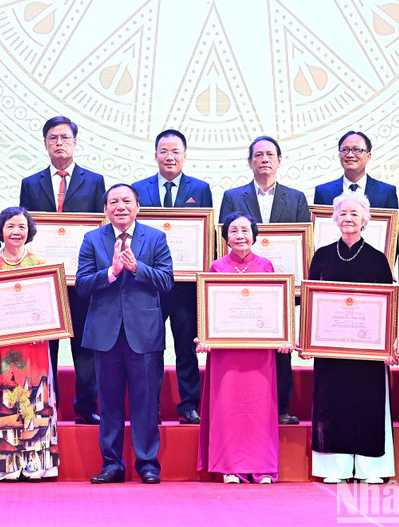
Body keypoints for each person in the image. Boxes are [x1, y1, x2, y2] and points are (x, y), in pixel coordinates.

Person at [77, 184, 174, 484]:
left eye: (126, 201)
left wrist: (138, 268)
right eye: (113, 202)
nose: (120, 206)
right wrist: (111, 273)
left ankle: (147, 465)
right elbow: (81, 285)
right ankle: (112, 464)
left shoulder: (155, 238)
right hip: (105, 334)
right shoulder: (92, 239)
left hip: (143, 335)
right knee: (109, 402)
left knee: (146, 402)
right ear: (105, 209)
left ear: (137, 207)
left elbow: (167, 281)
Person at [19, 116, 105, 425]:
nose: (59, 143)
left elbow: (100, 231)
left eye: (65, 138)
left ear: (75, 143)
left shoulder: (94, 181)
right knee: (46, 346)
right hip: (44, 280)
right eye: (53, 138)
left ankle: (85, 406)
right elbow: (24, 231)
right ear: (45, 143)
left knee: (84, 344)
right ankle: (46, 405)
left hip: (82, 278)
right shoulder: (30, 183)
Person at [195, 212, 293, 484]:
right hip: (227, 350)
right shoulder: (216, 267)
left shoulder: (266, 265)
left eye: (245, 230)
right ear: (226, 237)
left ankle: (262, 467)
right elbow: (208, 309)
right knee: (228, 407)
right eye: (234, 231)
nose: (240, 235)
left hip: (259, 350)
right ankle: (231, 467)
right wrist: (204, 336)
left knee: (259, 408)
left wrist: (284, 336)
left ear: (254, 235)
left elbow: (276, 307)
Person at [219, 135, 310, 426]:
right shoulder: (233, 197)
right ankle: (242, 403)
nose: (264, 160)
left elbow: (303, 244)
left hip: (281, 286)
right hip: (239, 284)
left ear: (280, 161)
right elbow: (225, 239)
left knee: (280, 346)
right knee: (243, 345)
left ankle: (282, 407)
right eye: (258, 155)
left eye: (270, 154)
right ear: (249, 162)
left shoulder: (296, 198)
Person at [307, 191, 396, 484]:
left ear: (365, 220)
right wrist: (307, 340)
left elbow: (390, 305)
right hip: (331, 349)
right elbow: (310, 302)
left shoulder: (378, 259)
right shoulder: (321, 256)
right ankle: (336, 470)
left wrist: (388, 344)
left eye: (354, 214)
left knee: (367, 403)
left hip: (367, 351)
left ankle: (372, 470)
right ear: (334, 219)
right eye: (342, 213)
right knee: (333, 403)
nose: (348, 218)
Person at [132, 129, 212, 425]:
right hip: (149, 284)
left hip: (185, 286)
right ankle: (148, 404)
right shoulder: (139, 189)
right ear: (155, 155)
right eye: (164, 151)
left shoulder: (200, 189)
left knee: (185, 347)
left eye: (175, 151)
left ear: (184, 155)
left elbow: (205, 233)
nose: (169, 156)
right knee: (148, 347)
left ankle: (189, 405)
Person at [0, 207, 58, 481]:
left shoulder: (39, 263)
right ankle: (3, 466)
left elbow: (48, 306)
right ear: (1, 230)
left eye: (22, 227)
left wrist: (45, 326)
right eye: (10, 226)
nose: (16, 232)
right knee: (1, 399)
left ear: (29, 232)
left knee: (33, 398)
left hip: (32, 345)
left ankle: (35, 463)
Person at [313, 131, 398, 208]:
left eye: (356, 150)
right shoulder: (323, 192)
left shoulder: (387, 192)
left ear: (368, 156)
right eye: (345, 150)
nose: (350, 155)